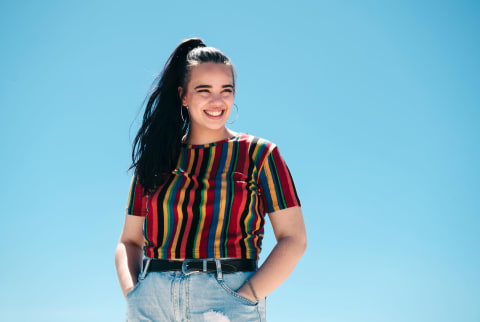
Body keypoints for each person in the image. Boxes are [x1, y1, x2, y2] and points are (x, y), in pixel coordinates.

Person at [114, 37, 307, 322]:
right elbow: (129, 241)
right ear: (183, 95)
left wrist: (247, 296)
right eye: (204, 90)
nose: (217, 101)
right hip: (152, 301)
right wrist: (134, 294)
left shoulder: (260, 155)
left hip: (226, 300)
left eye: (225, 90)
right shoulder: (155, 159)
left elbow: (294, 239)